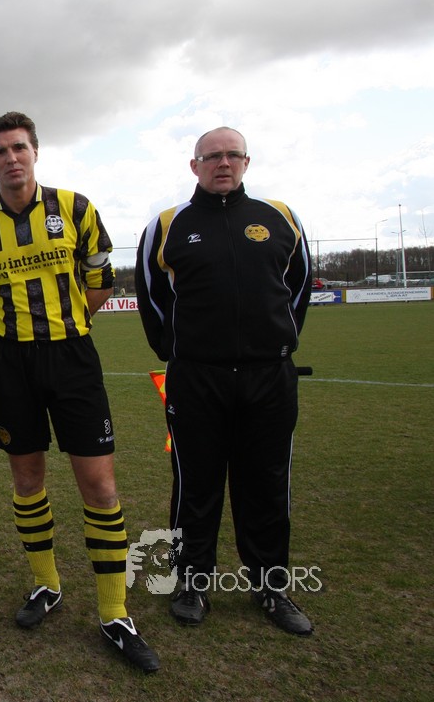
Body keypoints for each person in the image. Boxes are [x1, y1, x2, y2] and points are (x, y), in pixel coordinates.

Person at [0, 111, 159, 673]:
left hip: (72, 357)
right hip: (10, 361)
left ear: (35, 152)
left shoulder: (75, 208)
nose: (11, 158)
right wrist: (18, 330)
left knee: (99, 484)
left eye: (19, 147)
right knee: (27, 480)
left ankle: (114, 613)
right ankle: (46, 585)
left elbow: (100, 278)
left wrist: (66, 323)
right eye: (0, 151)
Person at [135, 126, 314, 636]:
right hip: (197, 380)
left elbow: (298, 288)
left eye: (233, 155)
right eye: (212, 156)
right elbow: (151, 298)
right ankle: (193, 583)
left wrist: (274, 343)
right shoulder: (167, 225)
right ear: (194, 166)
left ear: (246, 162)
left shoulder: (280, 217)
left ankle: (271, 586)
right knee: (196, 483)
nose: (223, 163)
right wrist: (180, 351)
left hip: (269, 377)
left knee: (268, 482)